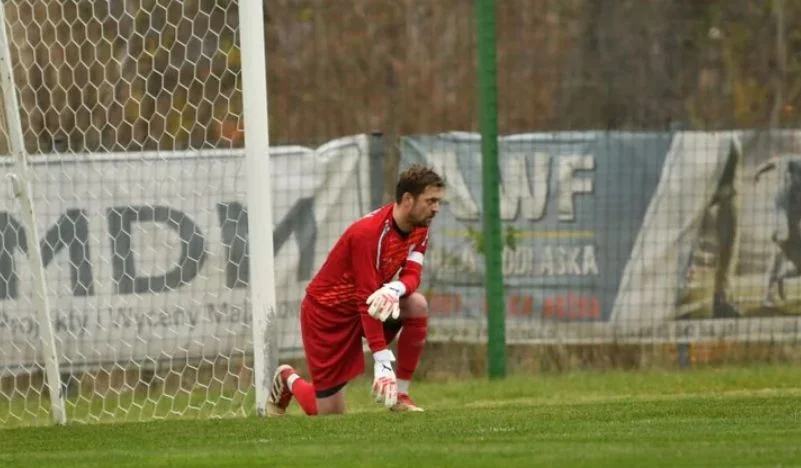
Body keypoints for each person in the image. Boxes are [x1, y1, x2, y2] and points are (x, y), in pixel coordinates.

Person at [267, 164, 446, 416]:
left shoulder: (420, 226)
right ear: (408, 199)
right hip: (326, 315)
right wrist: (382, 360)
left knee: (416, 305)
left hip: (363, 308)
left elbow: (413, 273)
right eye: (431, 201)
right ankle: (288, 378)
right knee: (328, 413)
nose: (436, 208)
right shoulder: (369, 234)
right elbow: (365, 299)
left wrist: (395, 288)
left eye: (438, 201)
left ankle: (401, 395)